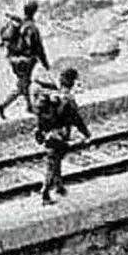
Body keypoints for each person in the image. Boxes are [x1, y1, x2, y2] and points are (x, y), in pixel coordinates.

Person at [34, 67, 90, 206]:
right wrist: (85, 133)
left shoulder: (53, 95)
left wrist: (40, 131)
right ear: (72, 83)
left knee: (56, 160)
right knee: (52, 163)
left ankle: (59, 185)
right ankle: (45, 193)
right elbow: (76, 119)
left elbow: (41, 116)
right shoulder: (69, 99)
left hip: (49, 134)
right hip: (60, 135)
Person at [0, 0, 50, 119]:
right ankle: (3, 105)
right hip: (26, 60)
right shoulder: (32, 27)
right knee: (22, 85)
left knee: (25, 83)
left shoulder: (20, 24)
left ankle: (29, 107)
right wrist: (45, 63)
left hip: (14, 59)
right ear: (34, 12)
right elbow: (38, 48)